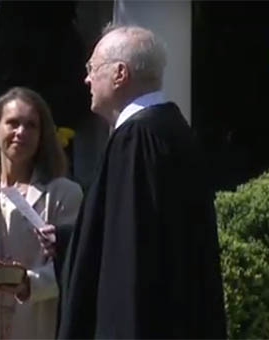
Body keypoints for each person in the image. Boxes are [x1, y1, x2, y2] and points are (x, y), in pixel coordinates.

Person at [52, 25, 227, 338]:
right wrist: (69, 240)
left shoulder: (137, 139)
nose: (87, 79)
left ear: (120, 74)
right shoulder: (171, 131)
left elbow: (130, 257)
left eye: (92, 68)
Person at [0, 87, 83, 339]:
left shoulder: (65, 193)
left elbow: (72, 265)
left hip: (35, 326)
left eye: (31, 125)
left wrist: (27, 284)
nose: (20, 132)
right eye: (12, 123)